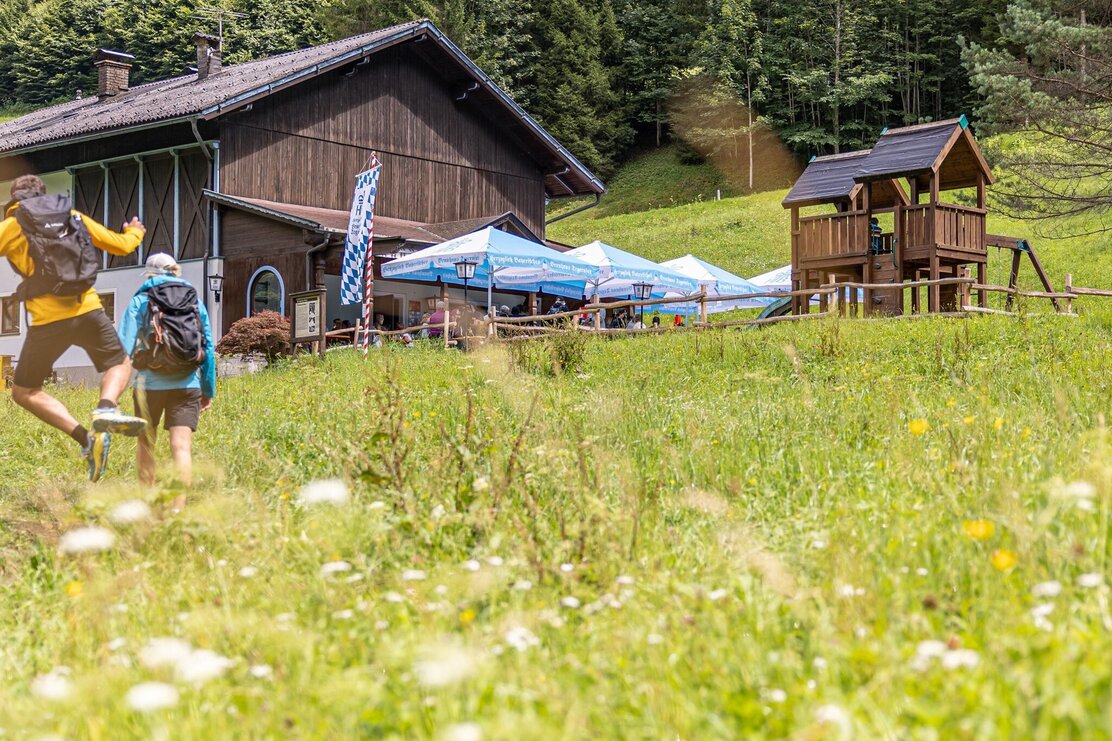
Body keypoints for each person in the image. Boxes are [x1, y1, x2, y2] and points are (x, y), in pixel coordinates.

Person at [0, 174, 148, 481]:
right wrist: (135, 231)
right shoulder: (72, 216)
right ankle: (106, 408)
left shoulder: (11, 227)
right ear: (44, 194)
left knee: (25, 391)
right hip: (88, 308)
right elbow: (121, 246)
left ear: (14, 201)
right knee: (120, 363)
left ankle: (84, 438)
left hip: (47, 322)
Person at [118, 254, 216, 504]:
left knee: (146, 444)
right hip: (187, 386)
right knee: (181, 448)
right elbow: (208, 347)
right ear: (175, 272)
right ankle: (177, 509)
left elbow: (122, 349)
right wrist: (208, 390)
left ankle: (146, 502)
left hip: (149, 387)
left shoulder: (141, 301)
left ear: (150, 274)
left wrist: (113, 393)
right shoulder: (195, 302)